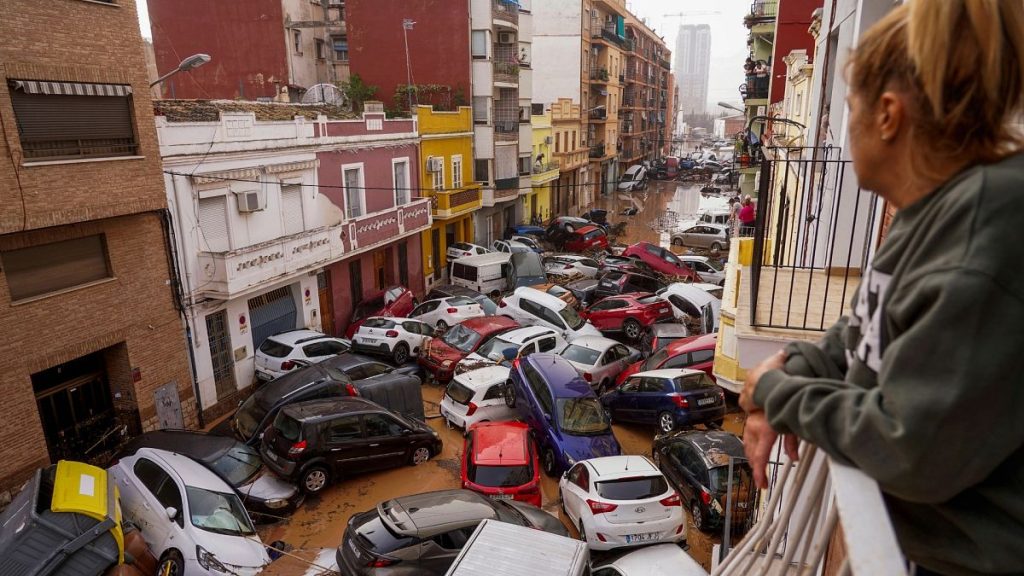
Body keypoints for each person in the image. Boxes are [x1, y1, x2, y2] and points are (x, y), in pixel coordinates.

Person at [738, 1, 1024, 575]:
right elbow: (863, 327)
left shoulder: (981, 236)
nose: (847, 125)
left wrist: (778, 395)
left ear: (888, 115)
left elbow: (909, 447)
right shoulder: (933, 210)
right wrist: (796, 363)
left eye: (850, 107)